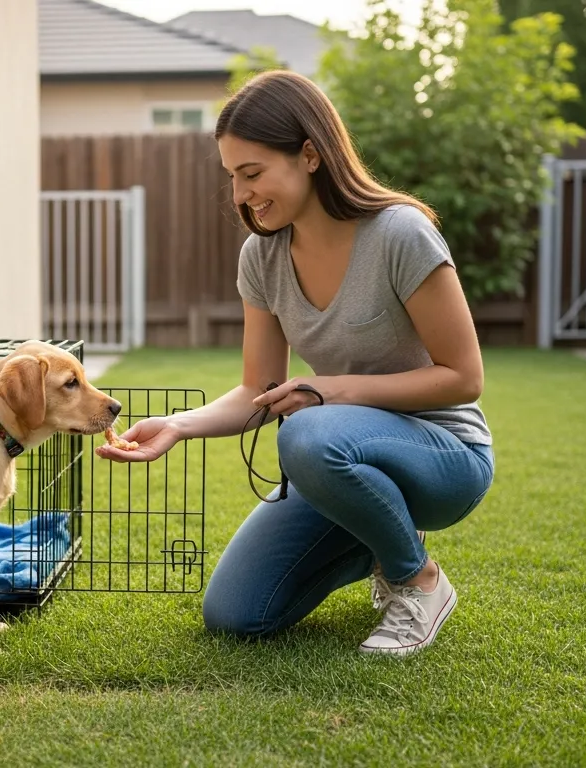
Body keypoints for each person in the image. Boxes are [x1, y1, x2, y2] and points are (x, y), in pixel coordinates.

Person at [94, 70, 494, 656]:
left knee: (306, 433)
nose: (239, 195)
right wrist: (178, 426)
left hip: (444, 455)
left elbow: (464, 378)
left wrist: (329, 390)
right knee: (234, 614)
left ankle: (417, 579)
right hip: (334, 455)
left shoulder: (399, 234)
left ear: (310, 154)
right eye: (232, 177)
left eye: (252, 174)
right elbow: (260, 387)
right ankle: (375, 527)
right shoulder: (262, 257)